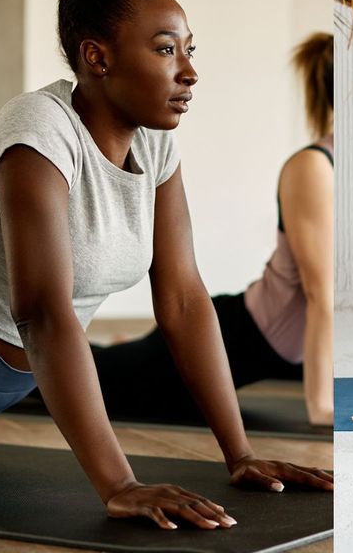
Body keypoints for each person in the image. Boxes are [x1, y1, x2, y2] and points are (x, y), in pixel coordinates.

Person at [0, 0, 333, 530]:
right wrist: (120, 482)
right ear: (97, 56)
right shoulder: (37, 128)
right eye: (166, 50)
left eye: (190, 50)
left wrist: (239, 453)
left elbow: (184, 299)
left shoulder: (157, 145)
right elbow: (43, 313)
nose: (189, 71)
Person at [89, 33, 334, 427]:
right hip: (234, 337)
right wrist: (323, 407)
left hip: (287, 352)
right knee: (96, 380)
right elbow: (321, 290)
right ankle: (13, 355)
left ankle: (128, 346)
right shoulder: (316, 167)